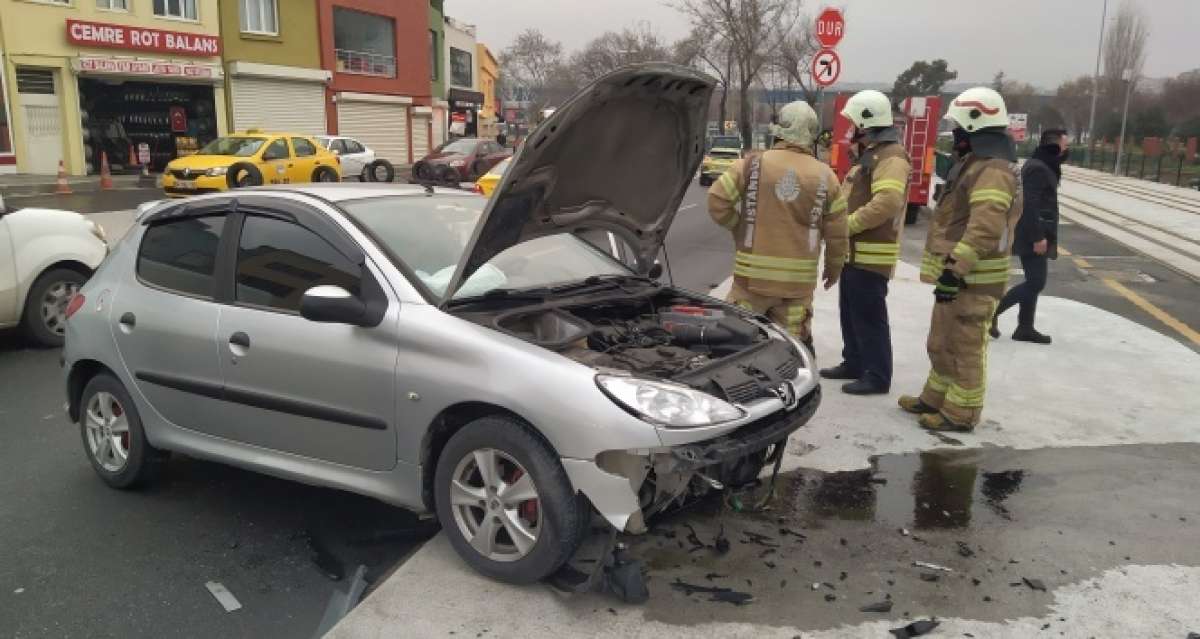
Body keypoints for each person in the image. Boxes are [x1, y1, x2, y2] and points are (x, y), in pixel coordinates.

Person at [898, 87, 1022, 433]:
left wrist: (956, 270)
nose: (954, 135)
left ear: (975, 127)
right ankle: (936, 398)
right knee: (942, 341)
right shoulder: (975, 166)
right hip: (958, 276)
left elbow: (985, 226)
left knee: (964, 345)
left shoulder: (993, 170)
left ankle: (961, 412)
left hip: (973, 279)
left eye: (959, 129)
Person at [707, 100, 848, 351]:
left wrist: (740, 228)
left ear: (780, 129)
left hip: (751, 282)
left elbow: (718, 201)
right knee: (791, 351)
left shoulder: (751, 165)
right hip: (797, 286)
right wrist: (833, 269)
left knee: (739, 349)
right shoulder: (826, 176)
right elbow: (837, 233)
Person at [820, 90, 912, 395]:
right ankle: (855, 362)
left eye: (853, 123)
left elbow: (887, 202)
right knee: (851, 312)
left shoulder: (891, 157)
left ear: (866, 122)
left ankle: (877, 374)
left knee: (870, 317)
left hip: (871, 255)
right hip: (855, 253)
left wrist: (847, 225)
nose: (849, 129)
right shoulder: (872, 155)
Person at [990, 129, 1068, 344]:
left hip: (1037, 231)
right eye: (1064, 145)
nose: (1066, 149)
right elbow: (1029, 203)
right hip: (1033, 232)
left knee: (1033, 280)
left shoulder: (1041, 164)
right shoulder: (1038, 168)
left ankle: (1025, 327)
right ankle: (991, 314)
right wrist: (1038, 236)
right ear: (1053, 145)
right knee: (1036, 282)